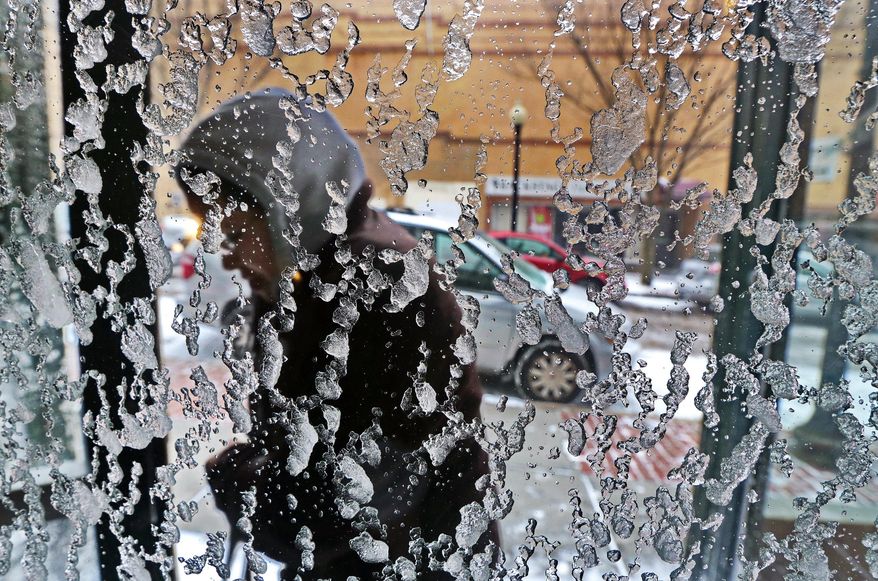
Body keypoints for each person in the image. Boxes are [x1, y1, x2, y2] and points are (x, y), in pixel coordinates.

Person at [176, 89, 495, 578]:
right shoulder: (304, 278)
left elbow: (358, 513)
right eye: (212, 235)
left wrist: (243, 483)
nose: (226, 257)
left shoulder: (373, 286)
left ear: (289, 206)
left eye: (236, 233)